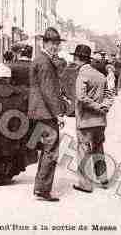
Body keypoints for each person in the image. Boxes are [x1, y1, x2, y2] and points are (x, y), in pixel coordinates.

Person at [28, 27, 67, 202]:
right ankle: (43, 189)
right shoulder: (44, 62)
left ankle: (40, 186)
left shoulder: (41, 59)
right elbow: (48, 91)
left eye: (57, 45)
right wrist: (58, 113)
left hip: (39, 112)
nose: (55, 48)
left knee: (46, 150)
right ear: (44, 43)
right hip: (46, 113)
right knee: (51, 151)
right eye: (52, 44)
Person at [71, 45, 112, 194]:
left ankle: (85, 184)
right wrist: (104, 107)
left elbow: (81, 97)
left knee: (83, 150)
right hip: (100, 121)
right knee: (98, 149)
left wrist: (96, 106)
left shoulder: (82, 74)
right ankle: (103, 178)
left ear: (77, 59)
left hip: (85, 121)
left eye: (74, 59)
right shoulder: (101, 76)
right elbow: (109, 95)